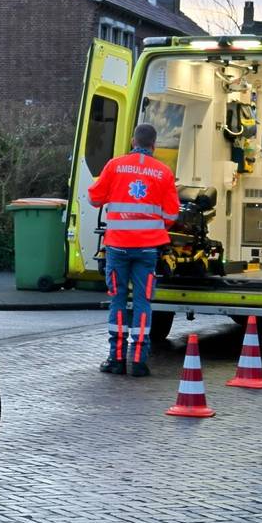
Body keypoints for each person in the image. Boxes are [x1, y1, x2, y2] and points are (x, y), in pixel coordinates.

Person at [88, 123, 180, 377]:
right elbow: (171, 214)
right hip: (148, 248)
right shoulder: (163, 172)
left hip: (117, 247)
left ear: (132, 141)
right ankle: (139, 360)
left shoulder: (115, 166)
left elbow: (94, 198)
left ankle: (116, 359)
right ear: (154, 144)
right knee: (142, 302)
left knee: (117, 301)